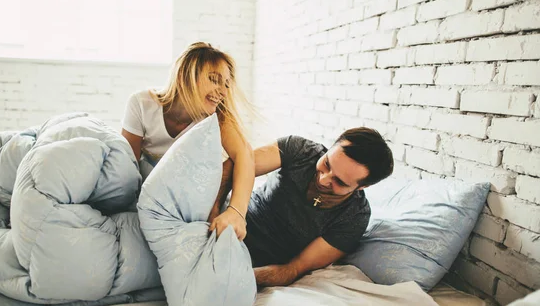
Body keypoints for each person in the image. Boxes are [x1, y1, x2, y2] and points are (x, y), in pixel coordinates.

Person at [211, 128, 393, 287]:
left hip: (258, 263)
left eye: (339, 181)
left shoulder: (354, 217)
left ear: (361, 187)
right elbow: (236, 165)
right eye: (327, 164)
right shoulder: (300, 150)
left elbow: (292, 269)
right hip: (229, 225)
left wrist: (238, 277)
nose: (323, 179)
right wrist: (215, 214)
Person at [122, 42, 254, 241]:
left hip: (188, 199)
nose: (223, 91)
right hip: (148, 195)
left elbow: (245, 154)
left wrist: (237, 211)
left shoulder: (216, 117)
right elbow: (128, 167)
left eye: (226, 84)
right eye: (214, 80)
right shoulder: (141, 104)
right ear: (186, 77)